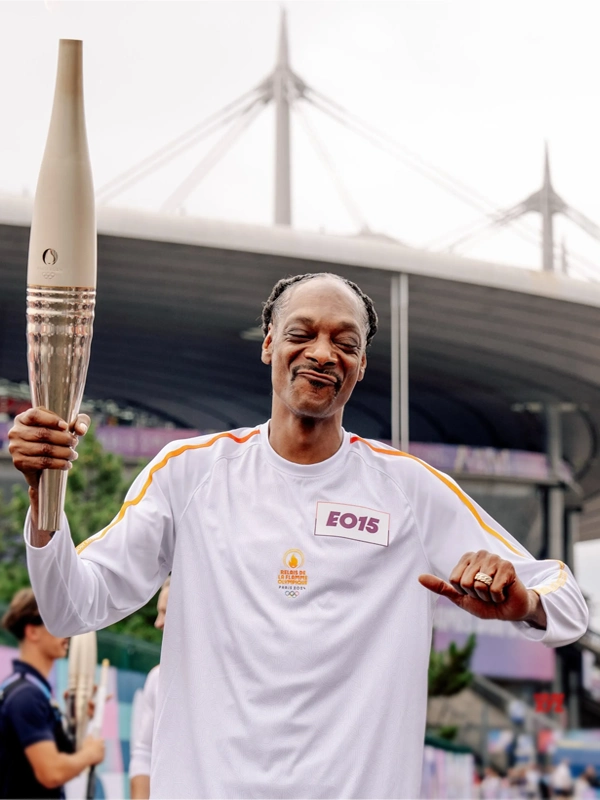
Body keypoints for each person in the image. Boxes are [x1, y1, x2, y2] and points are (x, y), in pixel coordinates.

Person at [8, 272, 589, 799]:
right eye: (302, 333)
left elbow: (569, 605)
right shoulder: (189, 471)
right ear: (268, 346)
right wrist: (45, 499)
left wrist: (525, 603)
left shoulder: (409, 490)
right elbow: (68, 606)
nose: (322, 353)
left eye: (345, 342)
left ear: (361, 366)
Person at [0, 588, 104, 799]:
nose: (66, 632)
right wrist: (89, 754)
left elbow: (59, 758)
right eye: (56, 621)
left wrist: (77, 717)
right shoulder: (26, 696)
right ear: (32, 632)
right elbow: (51, 772)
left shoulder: (27, 689)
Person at [129, 577, 170, 800]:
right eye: (158, 612)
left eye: (165, 612)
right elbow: (144, 752)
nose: (157, 622)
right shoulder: (157, 678)